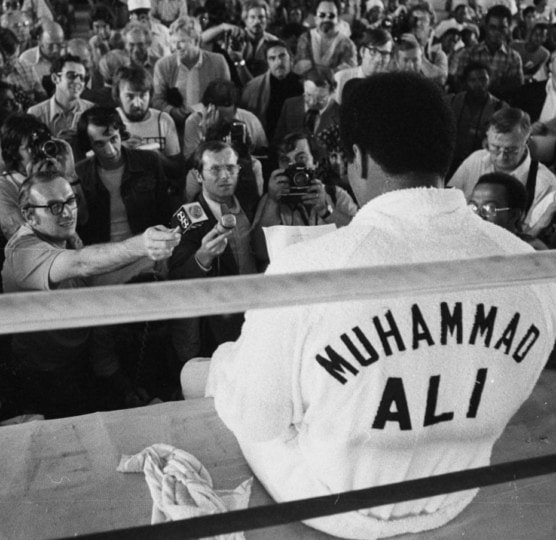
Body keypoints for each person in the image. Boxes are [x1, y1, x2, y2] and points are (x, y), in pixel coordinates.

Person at [191, 71, 556, 539]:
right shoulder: (530, 267)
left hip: (337, 501)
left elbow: (259, 420)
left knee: (219, 371)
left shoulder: (307, 269)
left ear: (358, 160)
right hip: (457, 484)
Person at [2, 169, 181, 418]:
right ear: (29, 216)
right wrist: (142, 246)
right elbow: (81, 264)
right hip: (49, 371)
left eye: (70, 201)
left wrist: (147, 261)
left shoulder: (63, 233)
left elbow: (91, 275)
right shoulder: (24, 252)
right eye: (53, 206)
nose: (66, 213)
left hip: (80, 353)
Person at [168, 140, 259, 363]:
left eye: (231, 168)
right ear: (198, 176)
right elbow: (177, 276)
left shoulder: (249, 201)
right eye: (216, 169)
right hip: (216, 318)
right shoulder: (187, 216)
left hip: (256, 304)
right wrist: (203, 257)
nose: (226, 176)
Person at [75, 106, 174, 274]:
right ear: (90, 145)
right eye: (99, 144)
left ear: (121, 133)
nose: (110, 150)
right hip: (102, 258)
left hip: (147, 254)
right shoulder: (80, 174)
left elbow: (164, 213)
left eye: (113, 139)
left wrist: (164, 253)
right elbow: (80, 228)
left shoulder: (149, 161)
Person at [449, 107, 556, 238]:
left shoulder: (545, 184)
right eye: (495, 147)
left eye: (510, 150)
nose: (501, 157)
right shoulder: (475, 160)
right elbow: (449, 204)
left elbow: (531, 238)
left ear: (526, 141)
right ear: (487, 137)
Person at [152, 16, 230, 128]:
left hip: (210, 126)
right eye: (173, 42)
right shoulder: (163, 65)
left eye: (182, 42)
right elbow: (157, 101)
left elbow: (226, 97)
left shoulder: (218, 62)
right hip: (175, 127)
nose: (176, 47)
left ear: (197, 41)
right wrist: (174, 112)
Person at [183, 78, 268, 159]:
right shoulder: (193, 122)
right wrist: (210, 135)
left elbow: (264, 153)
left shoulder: (250, 120)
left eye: (224, 118)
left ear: (235, 109)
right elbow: (190, 163)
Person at [446, 61, 506, 175]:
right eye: (473, 80)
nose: (479, 84)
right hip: (450, 162)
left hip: (481, 166)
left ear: (489, 80)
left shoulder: (500, 108)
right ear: (465, 82)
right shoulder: (451, 102)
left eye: (483, 79)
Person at [453, 4, 524, 101]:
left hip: (501, 108)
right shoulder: (469, 53)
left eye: (502, 28)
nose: (496, 32)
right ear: (486, 27)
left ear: (508, 29)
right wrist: (499, 87)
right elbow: (459, 85)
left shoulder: (514, 58)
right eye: (492, 27)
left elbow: (516, 89)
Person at [241, 39, 303, 142]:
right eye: (272, 58)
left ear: (291, 58)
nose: (278, 62)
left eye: (282, 56)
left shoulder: (303, 85)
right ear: (267, 62)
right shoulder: (253, 88)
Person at [114, 64, 180, 158]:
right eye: (130, 97)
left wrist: (157, 157)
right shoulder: (109, 121)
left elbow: (177, 167)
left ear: (150, 95)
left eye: (142, 96)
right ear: (118, 96)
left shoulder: (164, 120)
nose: (137, 104)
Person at [469, 171, 547, 249]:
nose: (478, 216)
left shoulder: (529, 251)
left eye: (489, 208)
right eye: (473, 207)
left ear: (513, 215)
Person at [27, 53, 93, 141]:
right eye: (71, 76)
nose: (78, 81)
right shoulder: (35, 114)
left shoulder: (91, 110)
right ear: (55, 78)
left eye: (82, 77)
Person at [273, 67, 339, 145]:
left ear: (332, 92)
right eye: (308, 95)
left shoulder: (340, 115)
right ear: (304, 87)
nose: (312, 102)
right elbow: (277, 142)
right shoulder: (290, 105)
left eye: (320, 98)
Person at [293, 0, 357, 74]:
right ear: (315, 18)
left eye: (331, 16)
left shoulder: (347, 44)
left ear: (338, 19)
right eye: (322, 15)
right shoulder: (306, 38)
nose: (326, 19)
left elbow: (346, 73)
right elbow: (301, 69)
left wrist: (313, 67)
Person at [333, 27, 392, 104]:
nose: (378, 59)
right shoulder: (341, 79)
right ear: (362, 51)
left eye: (385, 54)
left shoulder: (391, 85)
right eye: (373, 51)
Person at [19, 20, 65, 86]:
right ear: (39, 40)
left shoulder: (68, 56)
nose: (56, 50)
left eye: (59, 44)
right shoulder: (26, 60)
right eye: (50, 45)